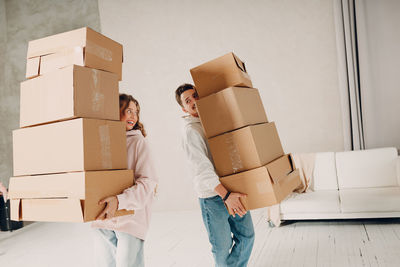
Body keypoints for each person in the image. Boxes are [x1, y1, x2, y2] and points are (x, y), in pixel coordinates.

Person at [175, 83, 255, 267]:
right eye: (188, 101)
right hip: (213, 197)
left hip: (232, 189)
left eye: (195, 95)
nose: (194, 101)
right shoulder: (191, 131)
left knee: (247, 236)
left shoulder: (214, 121)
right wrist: (226, 196)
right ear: (184, 109)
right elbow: (202, 170)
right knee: (222, 246)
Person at [92, 93, 158, 267]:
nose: (133, 116)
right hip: (102, 217)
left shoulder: (138, 143)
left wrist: (120, 201)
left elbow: (147, 183)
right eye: (128, 111)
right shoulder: (99, 141)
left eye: (135, 112)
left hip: (130, 218)